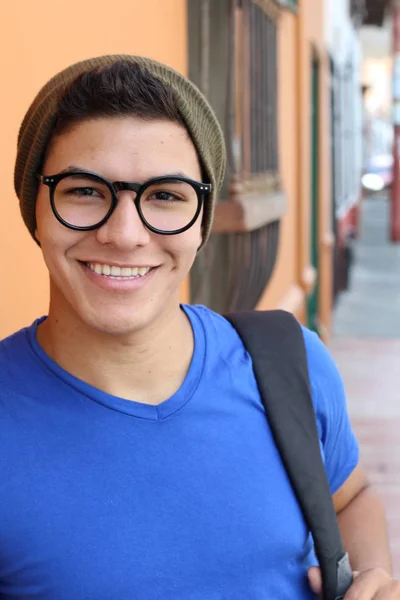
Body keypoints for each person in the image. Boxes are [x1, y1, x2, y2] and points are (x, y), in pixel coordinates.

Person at [0, 54, 398, 600]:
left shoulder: (288, 364)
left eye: (165, 196)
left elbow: (349, 497)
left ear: (201, 221)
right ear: (34, 207)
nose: (125, 234)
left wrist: (374, 577)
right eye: (84, 190)